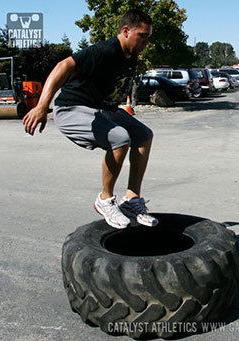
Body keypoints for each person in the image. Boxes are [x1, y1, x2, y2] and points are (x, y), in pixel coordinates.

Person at [23, 10, 158, 229]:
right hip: (72, 108)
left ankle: (132, 200)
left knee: (143, 135)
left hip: (102, 110)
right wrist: (41, 106)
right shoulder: (105, 51)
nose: (146, 42)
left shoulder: (131, 56)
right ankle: (104, 200)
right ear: (125, 31)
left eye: (148, 37)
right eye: (142, 35)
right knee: (120, 138)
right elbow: (63, 66)